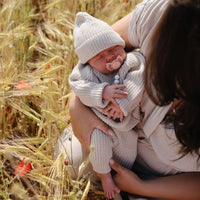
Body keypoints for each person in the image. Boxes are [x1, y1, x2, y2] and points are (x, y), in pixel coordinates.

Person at [65, 0, 200, 199]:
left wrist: (139, 186)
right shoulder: (165, 11)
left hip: (168, 182)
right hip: (112, 140)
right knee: (72, 160)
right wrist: (76, 105)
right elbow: (93, 48)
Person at [68, 12, 145, 199]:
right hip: (100, 123)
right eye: (100, 57)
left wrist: (123, 102)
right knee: (99, 144)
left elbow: (137, 80)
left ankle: (124, 180)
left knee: (127, 158)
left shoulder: (131, 61)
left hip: (126, 125)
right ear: (89, 62)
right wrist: (101, 92)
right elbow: (78, 86)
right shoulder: (86, 72)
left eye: (113, 49)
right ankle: (105, 177)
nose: (109, 57)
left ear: (121, 43)